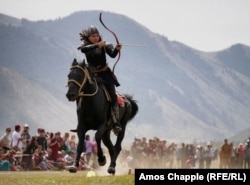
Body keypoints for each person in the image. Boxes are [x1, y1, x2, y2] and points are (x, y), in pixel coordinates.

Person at [78, 25, 122, 134]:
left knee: (112, 95)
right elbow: (83, 49)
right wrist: (97, 45)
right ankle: (81, 119)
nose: (95, 38)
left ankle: (115, 122)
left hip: (105, 74)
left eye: (97, 36)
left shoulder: (104, 44)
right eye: (93, 36)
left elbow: (112, 55)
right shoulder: (86, 45)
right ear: (88, 37)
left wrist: (116, 49)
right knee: (79, 92)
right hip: (91, 74)